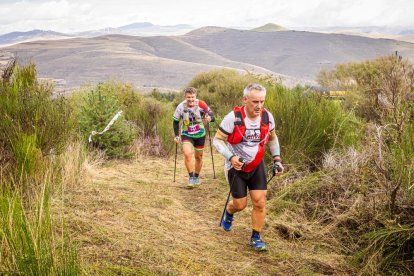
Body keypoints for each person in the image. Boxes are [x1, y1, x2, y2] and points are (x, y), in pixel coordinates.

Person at [213, 83, 284, 251]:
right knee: (240, 205)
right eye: (254, 102)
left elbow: (272, 138)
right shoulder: (233, 118)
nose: (259, 106)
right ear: (245, 100)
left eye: (262, 101)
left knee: (259, 202)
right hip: (235, 167)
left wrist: (277, 160)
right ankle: (229, 212)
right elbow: (217, 139)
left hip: (256, 165)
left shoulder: (267, 117)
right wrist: (231, 157)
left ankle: (256, 237)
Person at [173, 87, 215, 188]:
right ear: (185, 97)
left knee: (198, 157)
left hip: (200, 134)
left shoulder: (201, 104)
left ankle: (196, 176)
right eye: (188, 97)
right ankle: (191, 177)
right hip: (186, 134)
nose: (191, 99)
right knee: (187, 154)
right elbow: (175, 121)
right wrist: (176, 135)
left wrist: (209, 118)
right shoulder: (180, 107)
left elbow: (213, 116)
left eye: (192, 97)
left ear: (196, 96)